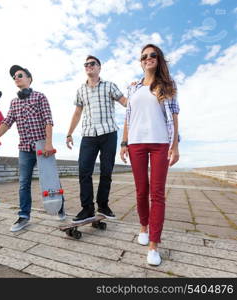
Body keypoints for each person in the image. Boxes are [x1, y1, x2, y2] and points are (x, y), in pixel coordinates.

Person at [120, 44, 180, 266]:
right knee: (140, 190)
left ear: (159, 59)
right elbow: (128, 117)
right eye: (144, 56)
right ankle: (143, 227)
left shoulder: (168, 85)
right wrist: (124, 143)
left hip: (160, 143)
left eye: (152, 55)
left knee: (157, 193)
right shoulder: (133, 87)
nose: (148, 58)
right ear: (141, 61)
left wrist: (175, 145)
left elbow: (174, 116)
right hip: (135, 143)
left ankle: (154, 244)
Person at [0, 65, 65, 232]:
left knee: (51, 178)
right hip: (24, 147)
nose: (16, 78)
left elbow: (48, 120)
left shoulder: (40, 97)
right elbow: (7, 122)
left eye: (20, 75)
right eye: (14, 77)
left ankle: (59, 206)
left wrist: (49, 143)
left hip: (41, 145)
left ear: (29, 78)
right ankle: (24, 216)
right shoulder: (14, 102)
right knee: (24, 183)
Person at [66, 55, 127, 224]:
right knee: (84, 171)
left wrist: (139, 94)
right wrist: (69, 133)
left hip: (108, 133)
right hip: (88, 135)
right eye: (86, 64)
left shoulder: (109, 86)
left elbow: (125, 102)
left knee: (106, 171)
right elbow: (77, 113)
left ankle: (103, 206)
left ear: (99, 67)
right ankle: (87, 208)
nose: (89, 66)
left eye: (92, 64)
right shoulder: (81, 90)